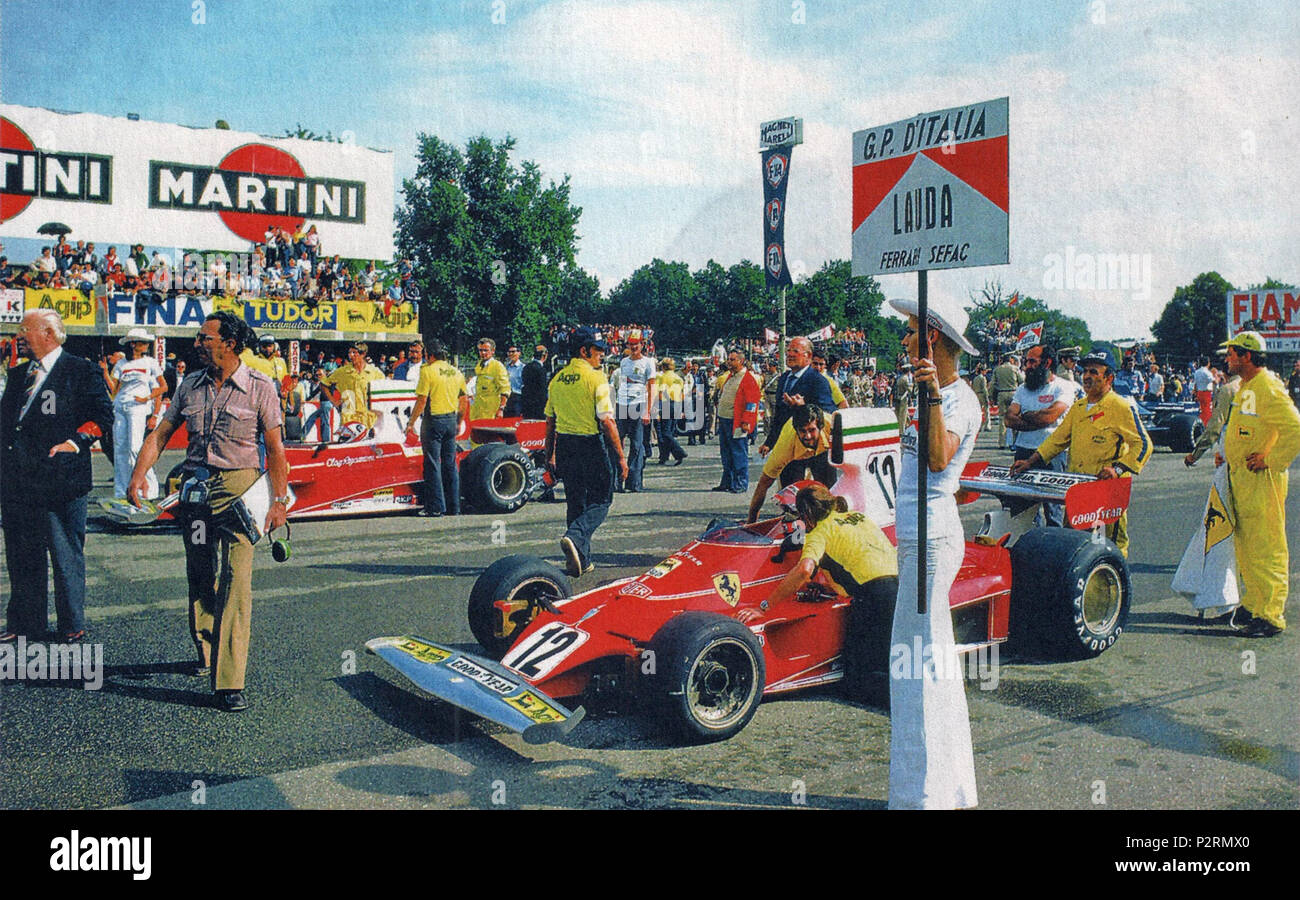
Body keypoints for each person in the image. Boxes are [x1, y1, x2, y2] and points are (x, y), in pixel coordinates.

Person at [127, 311, 289, 711]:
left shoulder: (260, 386)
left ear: (230, 343)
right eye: (199, 338)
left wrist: (280, 501)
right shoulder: (189, 385)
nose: (198, 343)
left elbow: (277, 450)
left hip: (241, 488)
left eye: (205, 338)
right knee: (200, 574)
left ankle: (229, 683)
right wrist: (137, 476)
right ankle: (206, 652)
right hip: (196, 488)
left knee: (237, 580)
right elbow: (161, 434)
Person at [886, 295, 982, 810]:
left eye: (910, 331)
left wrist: (931, 397)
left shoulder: (962, 399)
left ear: (935, 338)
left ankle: (929, 796)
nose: (903, 340)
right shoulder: (918, 392)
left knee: (919, 665)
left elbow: (939, 459)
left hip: (933, 537)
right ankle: (932, 789)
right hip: (910, 536)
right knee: (916, 665)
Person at [1, 309, 114, 643]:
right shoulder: (19, 374)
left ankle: (71, 624)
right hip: (19, 482)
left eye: (25, 330)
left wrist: (74, 442)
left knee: (65, 554)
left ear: (48, 333)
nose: (18, 336)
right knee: (22, 555)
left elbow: (102, 416)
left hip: (62, 480)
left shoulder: (81, 370)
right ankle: (25, 623)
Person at [737, 483, 897, 692]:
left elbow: (803, 570)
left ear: (806, 515)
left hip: (874, 597)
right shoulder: (859, 517)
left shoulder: (818, 532)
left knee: (855, 678)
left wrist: (763, 607)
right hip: (900, 588)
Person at [1011, 348, 1152, 556]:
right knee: (1077, 550)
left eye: (1094, 372)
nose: (1086, 376)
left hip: (1106, 494)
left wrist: (1118, 469)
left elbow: (1144, 445)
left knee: (1107, 551)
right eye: (1085, 371)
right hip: (1079, 491)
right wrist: (1029, 462)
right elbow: (1057, 441)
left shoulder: (1120, 406)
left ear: (1109, 377)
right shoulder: (1078, 407)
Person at [1212, 332, 1300, 637]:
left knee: (1266, 546)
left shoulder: (1267, 386)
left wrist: (1271, 460)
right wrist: (1227, 453)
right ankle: (1252, 605)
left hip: (1262, 480)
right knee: (1246, 545)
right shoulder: (1248, 386)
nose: (1227, 359)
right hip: (1242, 478)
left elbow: (1295, 429)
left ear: (1246, 356)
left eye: (1231, 353)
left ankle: (1271, 615)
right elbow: (1247, 428)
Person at [543, 328, 628, 576]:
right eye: (598, 350)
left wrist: (550, 455)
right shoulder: (595, 378)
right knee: (602, 499)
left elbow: (550, 422)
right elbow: (607, 422)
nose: (602, 355)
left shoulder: (557, 379)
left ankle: (580, 560)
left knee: (575, 502)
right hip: (590, 444)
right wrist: (622, 457)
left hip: (566, 446)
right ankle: (576, 535)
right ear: (584, 351)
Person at [1001, 345, 1074, 527]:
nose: (1026, 366)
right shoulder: (1022, 389)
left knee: (1053, 509)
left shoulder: (1063, 387)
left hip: (1053, 455)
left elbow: (1049, 417)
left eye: (1032, 361)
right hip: (1024, 451)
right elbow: (1009, 419)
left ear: (1047, 362)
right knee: (1024, 510)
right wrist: (1037, 419)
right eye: (1026, 361)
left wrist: (1025, 416)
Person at [406, 340, 467, 517]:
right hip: (450, 419)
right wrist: (457, 422)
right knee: (450, 464)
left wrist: (411, 423)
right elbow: (463, 402)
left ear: (429, 355)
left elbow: (422, 400)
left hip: (433, 420)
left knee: (432, 464)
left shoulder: (427, 371)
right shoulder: (456, 372)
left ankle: (435, 507)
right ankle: (454, 506)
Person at [102, 327, 166, 499]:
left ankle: (150, 489)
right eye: (142, 342)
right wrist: (105, 373)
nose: (146, 345)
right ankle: (121, 491)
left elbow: (163, 386)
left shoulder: (150, 362)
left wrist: (147, 398)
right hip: (120, 406)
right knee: (120, 449)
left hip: (137, 408)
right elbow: (114, 390)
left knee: (135, 448)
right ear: (133, 344)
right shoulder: (121, 364)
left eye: (146, 342)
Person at [746, 404, 836, 522]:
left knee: (831, 491)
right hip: (794, 458)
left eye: (812, 430)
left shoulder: (834, 426)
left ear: (820, 427)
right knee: (792, 503)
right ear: (796, 430)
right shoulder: (785, 446)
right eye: (802, 431)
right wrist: (751, 522)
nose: (807, 436)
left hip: (823, 451)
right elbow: (763, 484)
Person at [759, 337, 837, 458]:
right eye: (788, 351)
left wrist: (803, 407)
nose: (790, 354)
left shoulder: (818, 380)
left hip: (811, 452)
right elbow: (779, 417)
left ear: (808, 355)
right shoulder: (784, 378)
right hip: (787, 449)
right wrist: (769, 443)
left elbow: (829, 414)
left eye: (795, 351)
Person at [713, 348, 762, 493]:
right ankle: (727, 482)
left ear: (741, 361)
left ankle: (740, 483)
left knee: (738, 453)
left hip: (737, 423)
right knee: (726, 453)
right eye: (729, 359)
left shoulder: (748, 379)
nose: (729, 362)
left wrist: (747, 421)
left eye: (732, 359)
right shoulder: (730, 376)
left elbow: (752, 403)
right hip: (724, 420)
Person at [615, 334, 655, 492]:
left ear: (642, 344)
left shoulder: (648, 363)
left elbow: (652, 387)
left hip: (639, 405)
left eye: (636, 344)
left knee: (637, 445)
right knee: (616, 443)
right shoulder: (624, 362)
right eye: (630, 344)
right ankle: (616, 482)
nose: (633, 347)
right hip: (622, 404)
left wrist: (647, 411)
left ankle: (634, 483)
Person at [1184, 360, 1240, 467]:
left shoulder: (1227, 390)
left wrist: (1195, 455)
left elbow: (1215, 428)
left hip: (1233, 445)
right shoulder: (1253, 387)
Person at [322, 342, 384, 431]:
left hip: (368, 418)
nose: (351, 356)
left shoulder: (375, 372)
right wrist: (334, 401)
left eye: (354, 353)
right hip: (349, 417)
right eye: (349, 353)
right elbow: (324, 384)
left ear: (363, 354)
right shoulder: (342, 371)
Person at [653, 358, 688, 465]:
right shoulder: (679, 378)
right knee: (670, 432)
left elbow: (659, 393)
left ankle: (678, 452)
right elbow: (682, 395)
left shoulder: (661, 377)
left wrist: (656, 409)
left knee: (664, 432)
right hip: (677, 404)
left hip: (666, 404)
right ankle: (665, 456)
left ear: (663, 367)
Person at [470, 337, 511, 422]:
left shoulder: (497, 366)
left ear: (492, 351)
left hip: (491, 412)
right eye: (481, 350)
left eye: (486, 350)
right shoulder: (479, 365)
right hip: (477, 411)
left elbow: (505, 390)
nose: (483, 353)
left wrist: (501, 409)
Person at [990, 352, 1022, 449]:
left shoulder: (997, 369)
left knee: (1002, 418)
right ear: (1011, 360)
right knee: (1015, 417)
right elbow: (1022, 381)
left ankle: (1002, 443)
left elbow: (992, 385)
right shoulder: (1015, 369)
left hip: (1002, 393)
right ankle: (1015, 442)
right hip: (1014, 393)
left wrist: (991, 397)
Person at [520, 345, 549, 419]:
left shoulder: (526, 367)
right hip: (538, 406)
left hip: (526, 403)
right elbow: (543, 389)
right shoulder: (541, 369)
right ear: (545, 355)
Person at [503, 345, 526, 417]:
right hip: (507, 398)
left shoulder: (523, 367)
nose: (511, 354)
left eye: (513, 352)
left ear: (519, 353)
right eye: (509, 352)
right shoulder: (505, 367)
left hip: (518, 398)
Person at [1192, 355, 1216, 423]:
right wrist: (1216, 375)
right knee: (1207, 410)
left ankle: (1201, 422)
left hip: (1199, 392)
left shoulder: (1197, 372)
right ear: (1208, 363)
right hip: (1206, 393)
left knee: (1202, 409)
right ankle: (1205, 424)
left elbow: (1196, 384)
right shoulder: (1207, 372)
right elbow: (1215, 381)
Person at [892, 364, 913, 430]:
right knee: (902, 416)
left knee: (906, 415)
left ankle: (909, 426)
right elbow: (910, 390)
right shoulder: (905, 378)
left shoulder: (900, 377)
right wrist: (913, 384)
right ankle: (901, 431)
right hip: (903, 399)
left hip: (898, 398)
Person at [970, 363, 990, 431]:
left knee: (978, 412)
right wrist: (987, 397)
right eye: (984, 370)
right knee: (986, 410)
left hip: (976, 395)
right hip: (982, 395)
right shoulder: (983, 378)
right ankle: (987, 426)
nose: (985, 372)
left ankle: (978, 426)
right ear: (981, 371)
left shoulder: (975, 378)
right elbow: (984, 389)